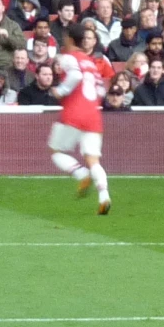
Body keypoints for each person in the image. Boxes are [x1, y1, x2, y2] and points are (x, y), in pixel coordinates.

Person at [50, 21, 116, 215]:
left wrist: (61, 91)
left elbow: (76, 77)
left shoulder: (68, 58)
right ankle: (104, 196)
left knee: (56, 151)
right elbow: (101, 90)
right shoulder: (92, 64)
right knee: (93, 159)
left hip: (74, 113)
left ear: (69, 39)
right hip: (93, 115)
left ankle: (81, 175)